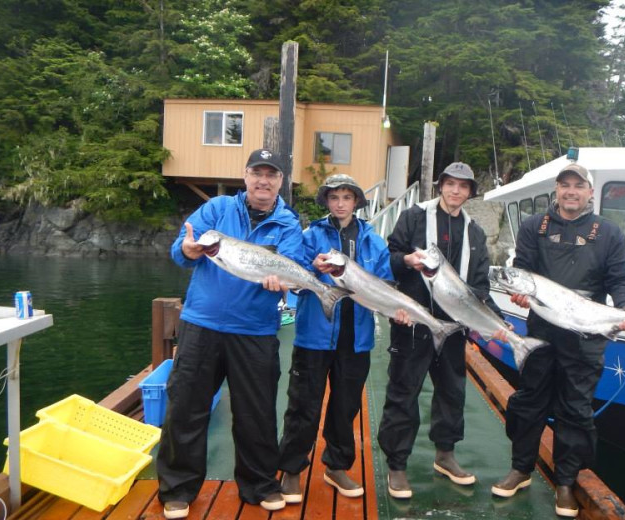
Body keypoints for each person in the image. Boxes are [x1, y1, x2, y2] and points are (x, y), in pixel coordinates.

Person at [491, 163, 625, 518]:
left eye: (578, 185)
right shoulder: (533, 227)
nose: (571, 191)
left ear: (590, 192)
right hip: (543, 328)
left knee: (575, 409)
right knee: (529, 401)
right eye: (565, 185)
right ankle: (521, 468)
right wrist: (519, 295)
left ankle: (565, 481)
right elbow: (523, 269)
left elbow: (620, 278)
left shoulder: (608, 233)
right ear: (556, 191)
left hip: (587, 333)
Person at [157, 148, 302, 518]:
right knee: (185, 407)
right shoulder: (217, 210)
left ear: (281, 181)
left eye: (271, 174)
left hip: (254, 330)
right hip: (201, 324)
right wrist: (190, 250)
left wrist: (282, 283)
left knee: (256, 413)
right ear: (246, 175)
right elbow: (179, 249)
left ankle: (259, 484)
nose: (263, 181)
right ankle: (177, 488)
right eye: (257, 173)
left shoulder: (288, 223)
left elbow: (291, 268)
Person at [377, 161, 502, 499]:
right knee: (403, 393)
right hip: (413, 323)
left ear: (470, 193)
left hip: (455, 327)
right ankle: (397, 465)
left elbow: (479, 284)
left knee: (452, 392)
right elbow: (389, 257)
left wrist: (487, 320)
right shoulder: (414, 217)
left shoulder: (475, 232)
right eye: (450, 184)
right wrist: (406, 262)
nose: (455, 191)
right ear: (440, 185)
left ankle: (445, 456)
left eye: (463, 186)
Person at [277, 174, 399, 503]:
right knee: (303, 406)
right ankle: (291, 470)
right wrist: (315, 268)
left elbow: (385, 283)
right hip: (313, 337)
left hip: (356, 339)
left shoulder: (374, 240)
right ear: (327, 202)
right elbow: (294, 272)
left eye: (347, 197)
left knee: (345, 408)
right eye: (334, 197)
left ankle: (336, 466)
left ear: (357, 201)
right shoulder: (311, 235)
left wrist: (396, 309)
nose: (341, 203)